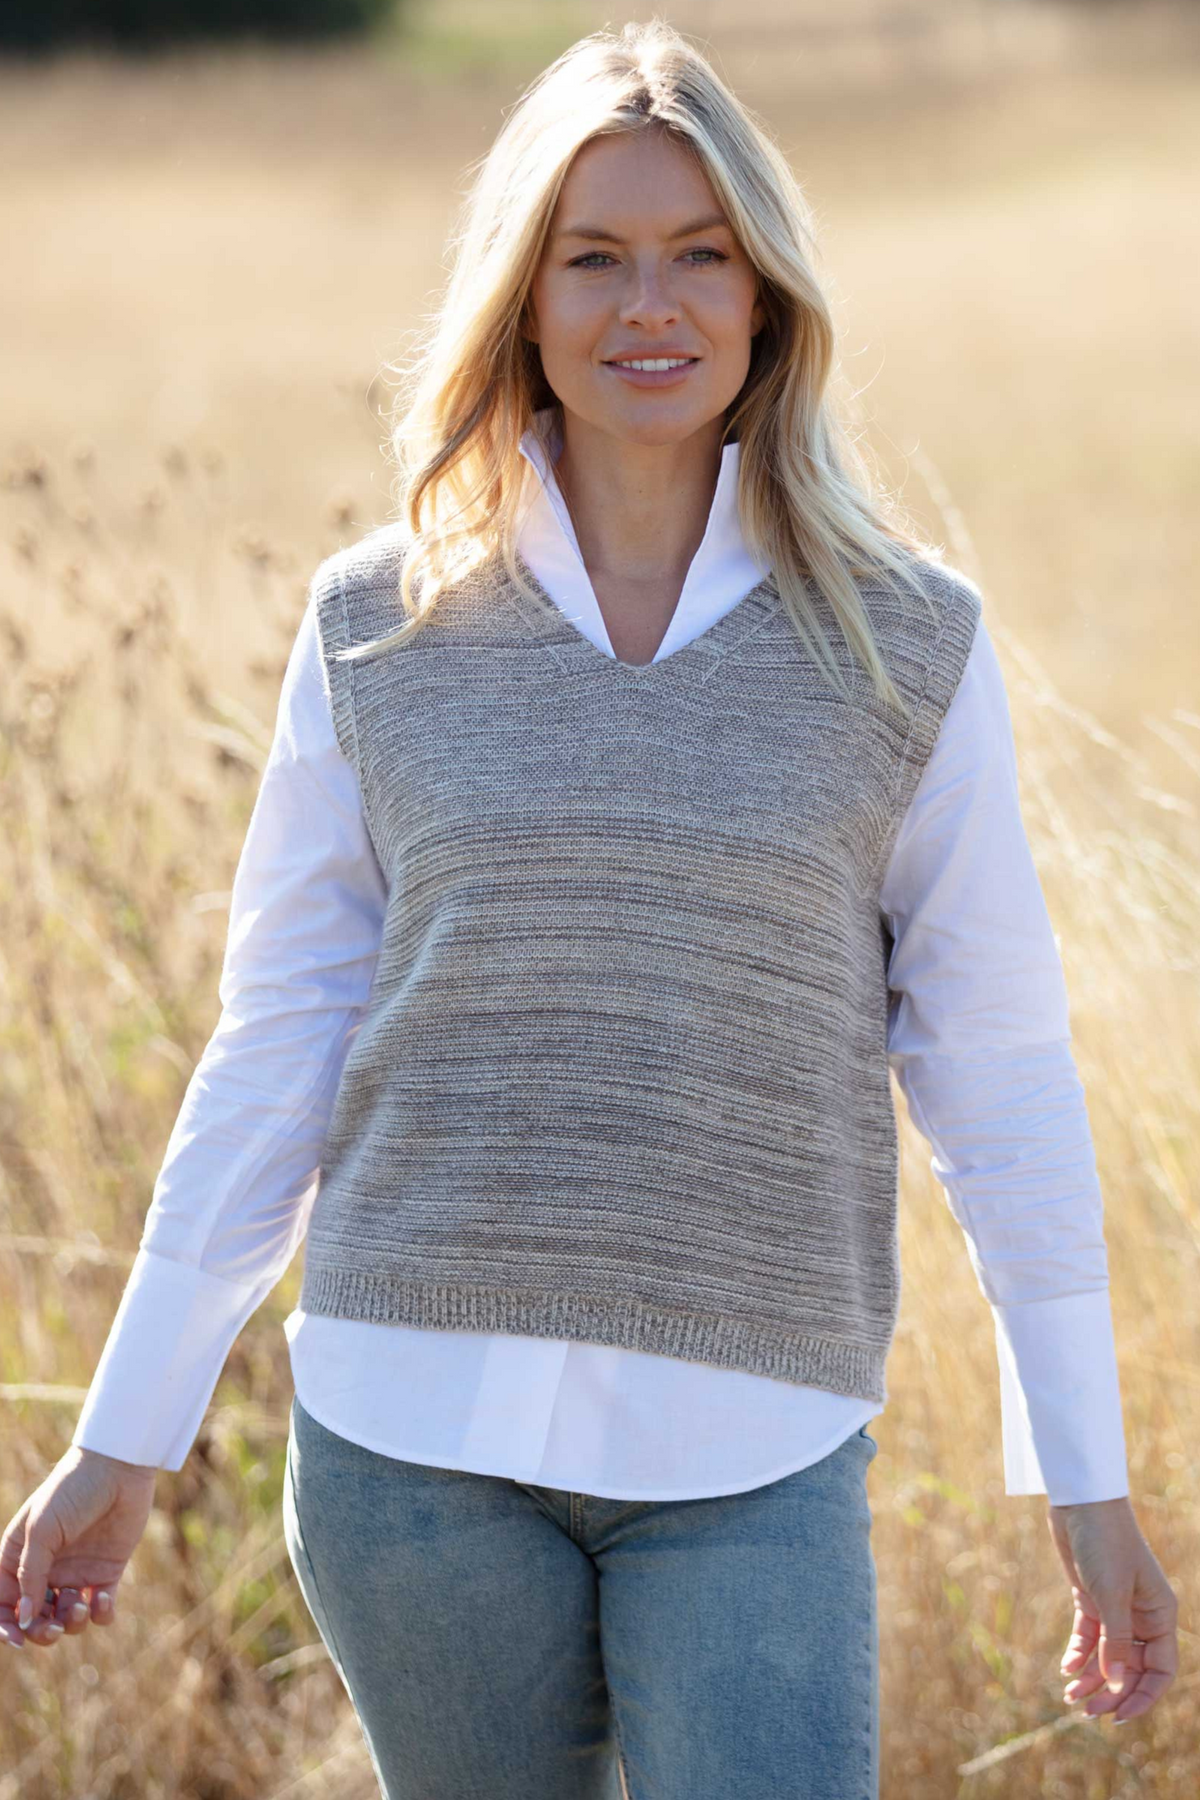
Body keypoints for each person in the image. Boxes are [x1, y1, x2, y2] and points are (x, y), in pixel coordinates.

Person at [0, 19, 1178, 1799]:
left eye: (701, 255)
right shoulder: (376, 626)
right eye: (596, 257)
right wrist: (127, 1434)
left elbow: (996, 1068)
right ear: (524, 301)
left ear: (766, 295)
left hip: (752, 1440)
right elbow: (282, 1038)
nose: (653, 305)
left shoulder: (905, 644)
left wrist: (1083, 1477)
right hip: (410, 1444)